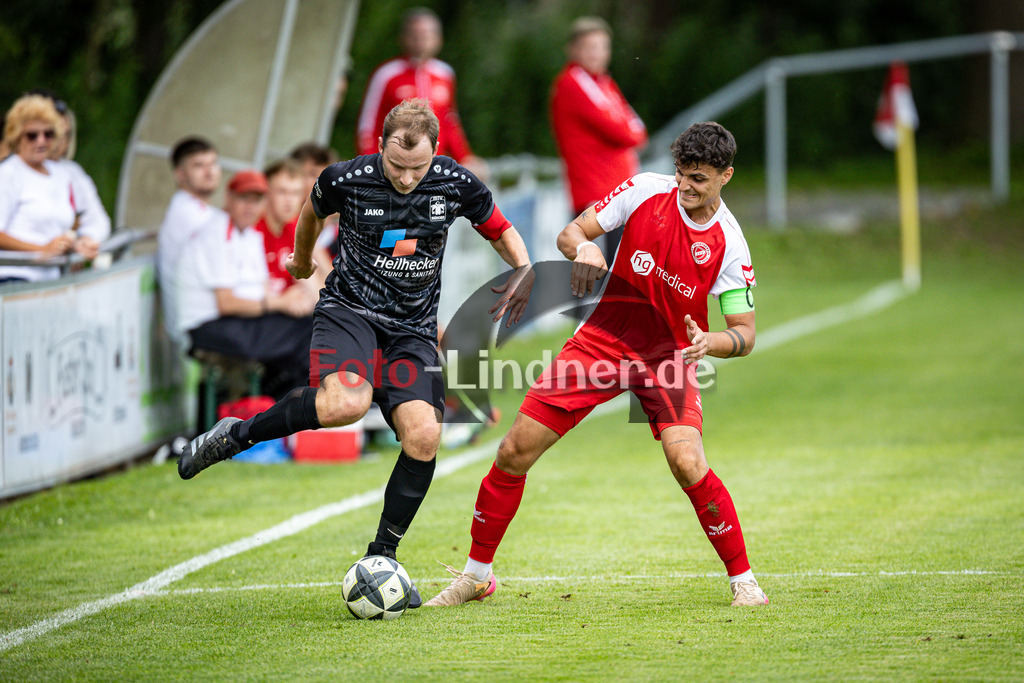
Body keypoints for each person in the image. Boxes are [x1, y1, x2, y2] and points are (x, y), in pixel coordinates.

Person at [177, 101, 535, 607]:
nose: (408, 178)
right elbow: (311, 212)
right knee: (344, 403)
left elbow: (498, 227)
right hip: (351, 313)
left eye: (419, 167)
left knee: (425, 434)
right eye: (397, 166)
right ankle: (237, 435)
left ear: (435, 153)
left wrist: (523, 267)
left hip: (412, 328)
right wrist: (302, 260)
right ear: (380, 145)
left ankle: (382, 556)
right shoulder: (347, 178)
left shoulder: (454, 181)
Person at [425, 122, 768, 608]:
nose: (686, 187)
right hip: (603, 342)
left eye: (699, 178)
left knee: (687, 461)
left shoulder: (729, 244)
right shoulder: (648, 190)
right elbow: (573, 232)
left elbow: (746, 333)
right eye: (682, 174)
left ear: (725, 176)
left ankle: (744, 581)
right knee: (514, 450)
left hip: (667, 357)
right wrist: (584, 247)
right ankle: (476, 576)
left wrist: (712, 341)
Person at [174, 170, 313, 398]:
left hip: (238, 321)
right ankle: (290, 413)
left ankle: (288, 410)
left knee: (311, 325)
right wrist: (280, 304)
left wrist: (294, 302)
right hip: (210, 326)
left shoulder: (249, 235)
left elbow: (264, 292)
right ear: (228, 198)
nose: (250, 206)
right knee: (309, 333)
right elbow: (226, 303)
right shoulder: (216, 232)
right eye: (243, 198)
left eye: (256, 200)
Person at [550, 16, 647, 258]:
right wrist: (630, 133)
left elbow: (637, 128)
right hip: (595, 191)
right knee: (596, 270)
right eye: (589, 47)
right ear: (573, 50)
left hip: (613, 188)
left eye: (602, 46)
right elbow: (625, 132)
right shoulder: (574, 82)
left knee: (615, 268)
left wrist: (631, 132)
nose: (597, 54)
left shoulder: (603, 81)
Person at [356, 7, 487, 180]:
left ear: (438, 39)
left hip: (433, 171)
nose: (420, 41)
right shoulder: (386, 74)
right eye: (414, 35)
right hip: (395, 170)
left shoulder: (445, 74)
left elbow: (450, 121)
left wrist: (465, 157)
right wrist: (372, 165)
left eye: (426, 35)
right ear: (403, 38)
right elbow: (368, 125)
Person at [0, 95, 97, 283]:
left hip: (51, 279)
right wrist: (41, 250)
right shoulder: (8, 173)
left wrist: (78, 243)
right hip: (16, 279)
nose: (41, 141)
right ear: (17, 136)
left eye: (48, 134)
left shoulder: (60, 174)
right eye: (32, 135)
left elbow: (59, 230)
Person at [157, 136, 223, 341]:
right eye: (198, 165)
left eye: (213, 163)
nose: (209, 171)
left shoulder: (199, 211)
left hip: (204, 319)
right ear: (180, 175)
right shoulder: (188, 215)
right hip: (197, 327)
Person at [252, 158, 328, 307]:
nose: (289, 201)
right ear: (267, 193)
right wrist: (286, 301)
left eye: (295, 193)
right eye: (282, 192)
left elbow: (320, 281)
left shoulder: (295, 226)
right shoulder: (252, 229)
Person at [48, 102, 111, 252]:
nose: (61, 141)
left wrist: (84, 239)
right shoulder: (17, 169)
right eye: (55, 132)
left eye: (66, 134)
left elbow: (99, 220)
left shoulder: (73, 172)